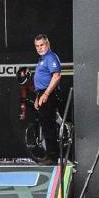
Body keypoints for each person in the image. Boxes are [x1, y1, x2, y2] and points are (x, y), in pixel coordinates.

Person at [33, 34, 62, 165]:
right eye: (37, 46)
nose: (40, 48)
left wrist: (46, 95)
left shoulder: (51, 57)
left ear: (48, 44)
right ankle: (49, 155)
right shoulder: (42, 59)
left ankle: (52, 157)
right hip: (42, 94)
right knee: (45, 125)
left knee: (49, 126)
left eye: (42, 45)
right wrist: (38, 97)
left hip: (48, 95)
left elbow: (56, 76)